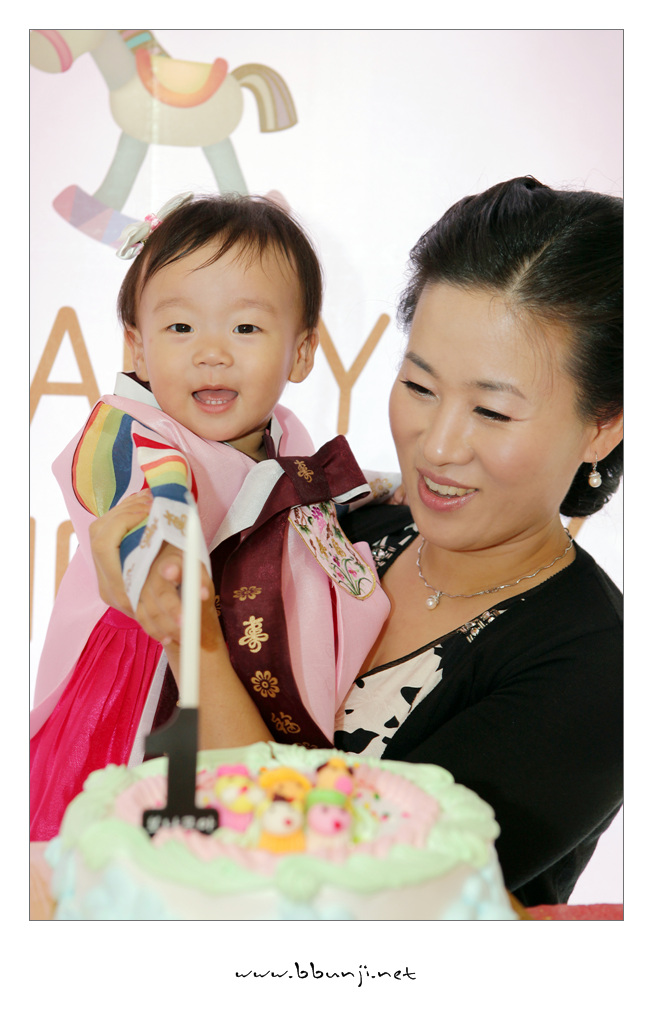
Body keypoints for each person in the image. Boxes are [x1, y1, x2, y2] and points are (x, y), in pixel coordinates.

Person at [87, 176, 623, 907]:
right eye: (420, 387)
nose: (438, 447)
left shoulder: (601, 667)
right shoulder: (340, 523)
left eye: (492, 412)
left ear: (603, 425)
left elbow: (329, 898)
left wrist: (189, 636)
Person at [29, 192, 390, 842]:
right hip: (144, 692)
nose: (212, 352)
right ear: (137, 347)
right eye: (180, 328)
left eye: (245, 328)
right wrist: (158, 550)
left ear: (303, 351)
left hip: (250, 686)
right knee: (124, 853)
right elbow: (145, 498)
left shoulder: (288, 438)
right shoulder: (131, 432)